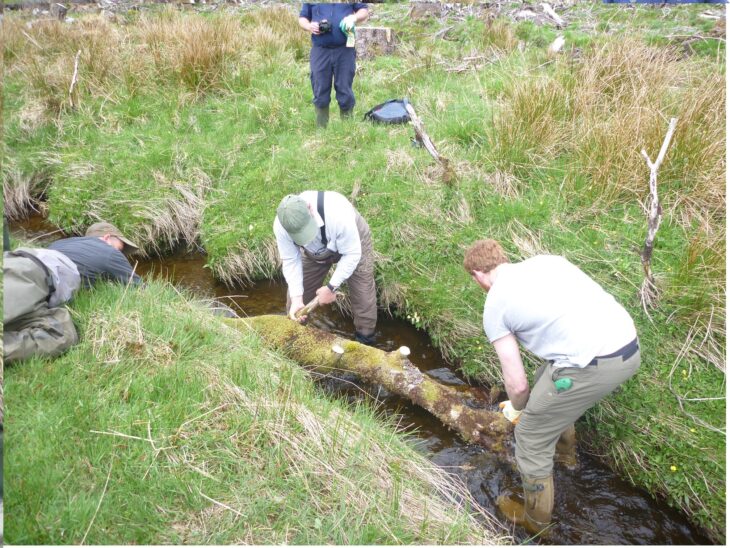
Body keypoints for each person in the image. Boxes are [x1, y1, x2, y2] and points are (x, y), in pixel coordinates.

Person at [463, 239, 640, 535]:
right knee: (547, 379)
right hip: (628, 344)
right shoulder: (547, 262)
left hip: (593, 364)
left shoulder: (495, 305)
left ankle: (537, 522)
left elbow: (517, 384)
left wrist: (518, 409)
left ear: (479, 275)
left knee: (530, 436)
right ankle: (565, 458)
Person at [3, 222, 141, 363]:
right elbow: (139, 288)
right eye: (120, 248)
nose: (121, 253)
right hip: (29, 275)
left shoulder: (59, 244)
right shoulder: (109, 252)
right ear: (107, 237)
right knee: (62, 335)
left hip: (16, 262)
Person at [274, 190, 377, 344]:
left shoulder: (339, 215)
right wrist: (297, 298)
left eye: (306, 230)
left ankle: (365, 341)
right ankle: (295, 338)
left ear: (310, 209)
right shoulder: (282, 226)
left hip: (353, 243)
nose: (305, 238)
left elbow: (352, 255)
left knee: (362, 295)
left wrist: (330, 287)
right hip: (314, 253)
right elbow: (290, 260)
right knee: (294, 301)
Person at [299, 2, 370, 128]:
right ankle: (321, 130)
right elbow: (302, 18)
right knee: (319, 88)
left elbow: (364, 10)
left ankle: (347, 129)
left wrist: (353, 18)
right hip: (320, 50)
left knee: (344, 88)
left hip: (345, 49)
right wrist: (309, 26)